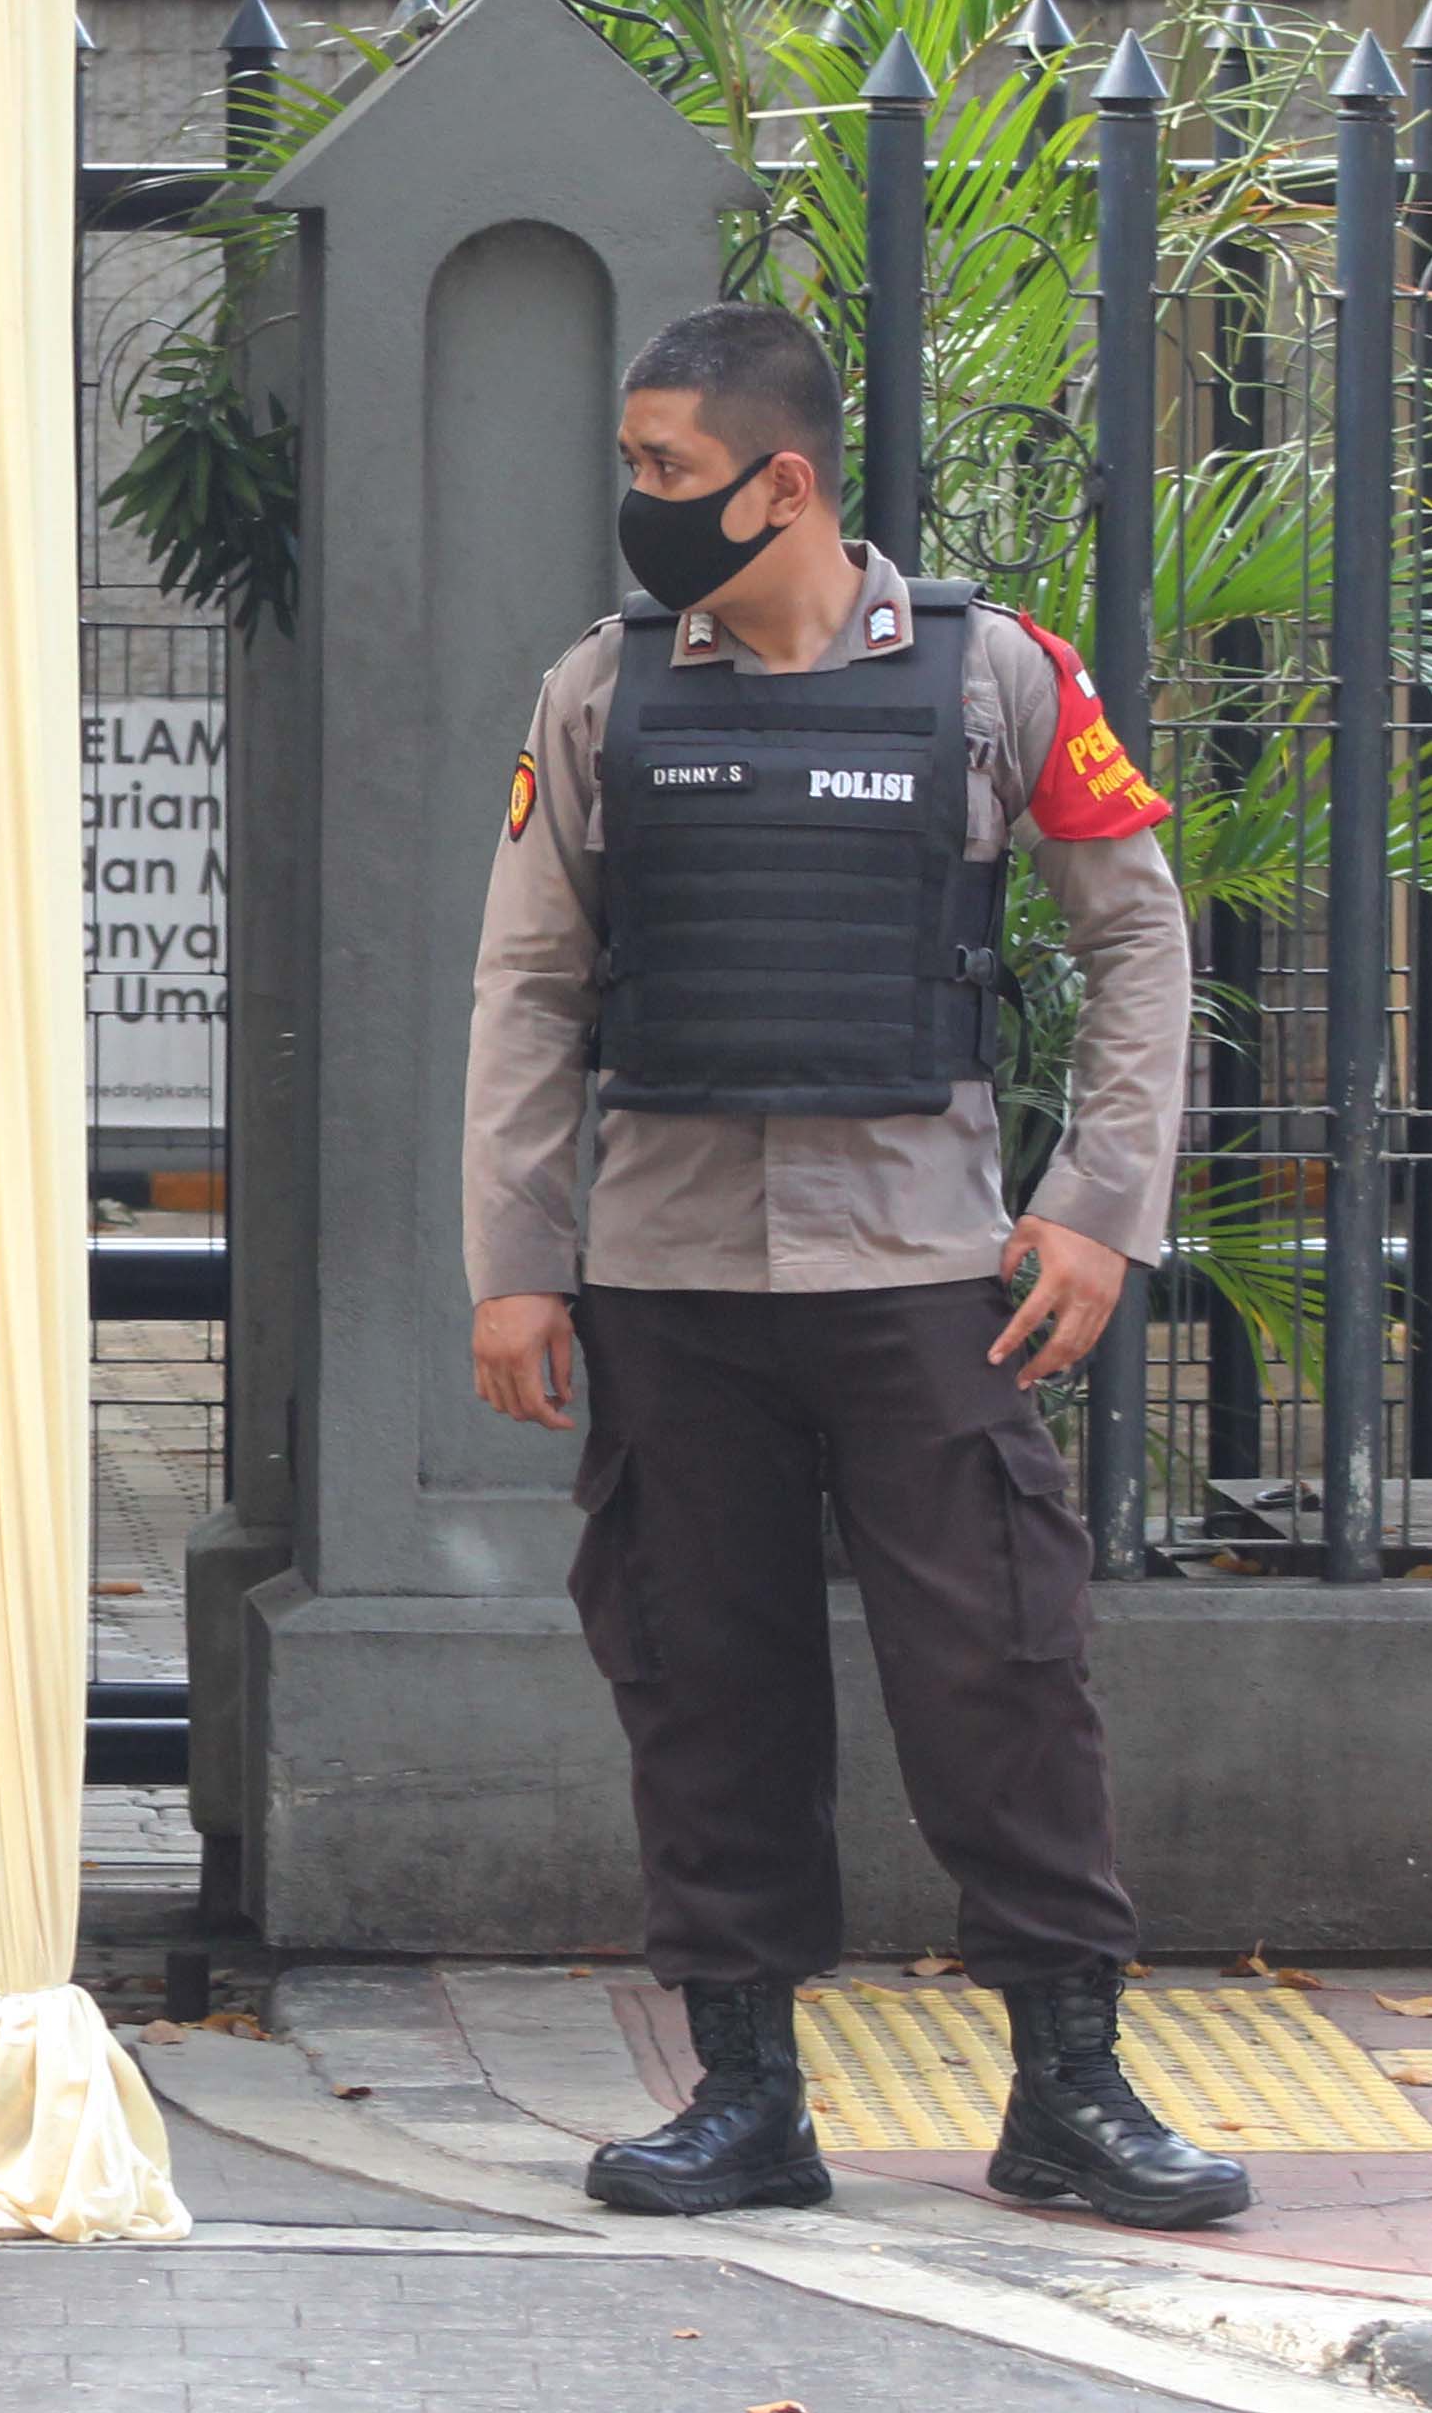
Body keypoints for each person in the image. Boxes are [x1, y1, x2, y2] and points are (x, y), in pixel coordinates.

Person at [464, 301, 1241, 2232]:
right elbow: (530, 987)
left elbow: (1138, 941)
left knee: (1002, 1669)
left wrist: (1096, 1202)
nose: (633, 504)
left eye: (660, 469)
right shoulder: (598, 693)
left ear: (779, 479)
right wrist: (514, 1258)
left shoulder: (994, 679)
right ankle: (744, 2098)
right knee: (700, 1679)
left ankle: (1067, 2088)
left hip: (927, 1274)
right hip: (665, 1277)